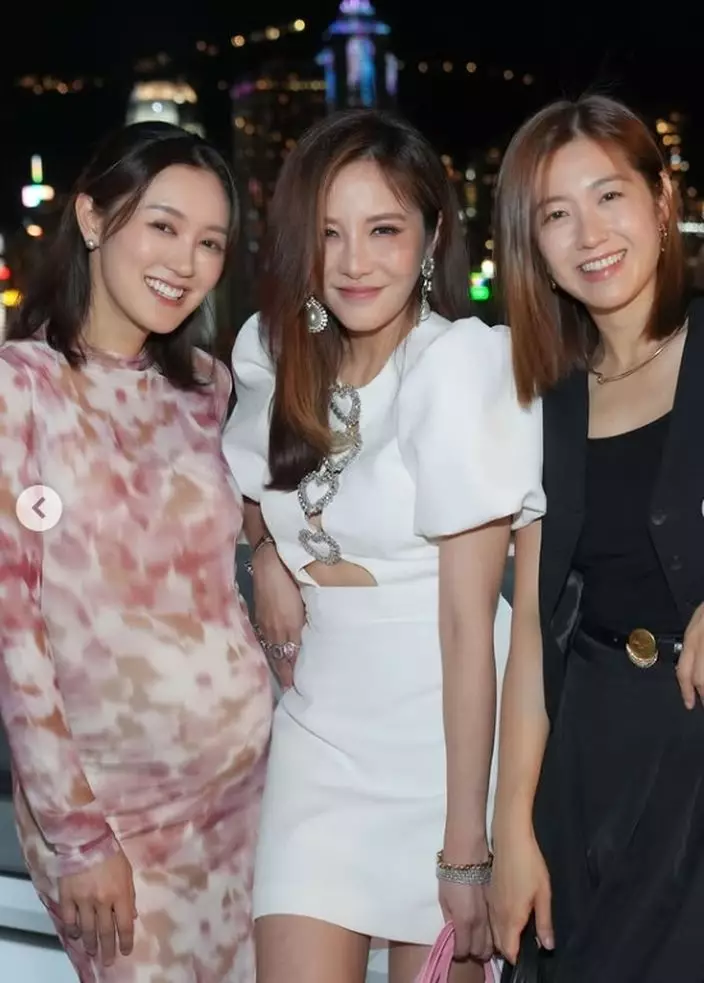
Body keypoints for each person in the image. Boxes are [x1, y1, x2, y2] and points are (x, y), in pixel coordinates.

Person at [222, 108, 544, 983]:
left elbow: (467, 626)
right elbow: (258, 489)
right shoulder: (276, 354)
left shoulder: (459, 367)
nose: (354, 261)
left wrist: (466, 847)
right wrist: (266, 552)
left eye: (383, 230)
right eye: (329, 233)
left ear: (432, 236)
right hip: (320, 732)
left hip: (442, 740)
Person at [0, 122, 272, 982]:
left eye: (210, 242)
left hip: (251, 796)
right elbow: (14, 636)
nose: (185, 261)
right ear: (91, 217)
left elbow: (237, 561)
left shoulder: (209, 388)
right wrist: (77, 838)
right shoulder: (19, 387)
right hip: (112, 819)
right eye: (162, 226)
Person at [489, 94, 704, 983]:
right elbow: (533, 637)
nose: (590, 234)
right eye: (556, 214)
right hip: (592, 766)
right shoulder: (544, 400)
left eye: (610, 195)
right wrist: (510, 829)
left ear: (661, 200)